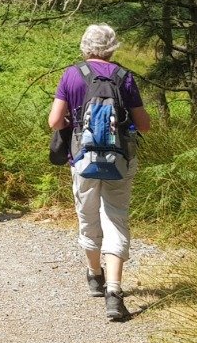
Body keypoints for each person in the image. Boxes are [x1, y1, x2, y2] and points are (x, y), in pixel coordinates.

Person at [49, 24, 151, 322]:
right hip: (120, 159)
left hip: (83, 159)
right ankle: (115, 293)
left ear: (84, 47)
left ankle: (95, 276)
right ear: (112, 47)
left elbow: (54, 121)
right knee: (116, 219)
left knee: (88, 216)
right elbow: (144, 125)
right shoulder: (124, 77)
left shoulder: (72, 74)